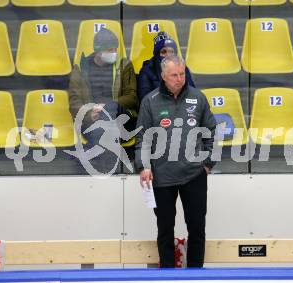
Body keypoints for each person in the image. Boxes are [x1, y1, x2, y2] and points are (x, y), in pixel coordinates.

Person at [135, 55, 216, 268]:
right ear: (163, 76)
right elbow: (142, 138)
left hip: (194, 174)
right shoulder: (150, 101)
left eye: (182, 73)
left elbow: (211, 132)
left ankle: (196, 275)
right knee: (165, 229)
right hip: (162, 176)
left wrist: (208, 163)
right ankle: (167, 276)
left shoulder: (198, 98)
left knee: (197, 228)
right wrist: (144, 166)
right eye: (173, 75)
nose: (179, 78)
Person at [69, 28, 138, 174]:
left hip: (121, 116)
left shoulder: (124, 65)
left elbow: (132, 97)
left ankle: (93, 154)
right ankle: (108, 160)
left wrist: (106, 107)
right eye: (110, 50)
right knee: (102, 124)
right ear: (98, 51)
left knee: (108, 114)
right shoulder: (81, 68)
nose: (114, 53)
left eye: (115, 49)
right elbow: (74, 102)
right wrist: (89, 113)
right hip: (92, 120)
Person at [137, 32, 195, 103]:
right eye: (164, 52)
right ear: (157, 55)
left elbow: (193, 94)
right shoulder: (147, 70)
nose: (168, 55)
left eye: (171, 52)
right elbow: (145, 99)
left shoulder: (182, 68)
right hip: (159, 111)